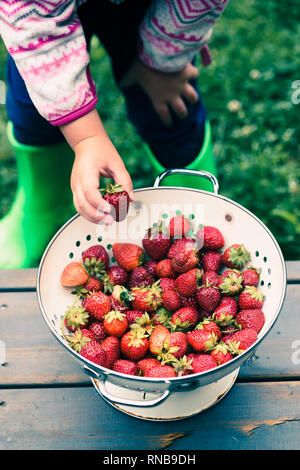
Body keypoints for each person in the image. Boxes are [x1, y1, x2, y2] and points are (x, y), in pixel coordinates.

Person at [0, 0, 229, 268]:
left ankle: (194, 201)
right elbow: (34, 22)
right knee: (34, 111)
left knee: (171, 109)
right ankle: (42, 208)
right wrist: (86, 138)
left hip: (161, 8)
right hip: (38, 13)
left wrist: (166, 58)